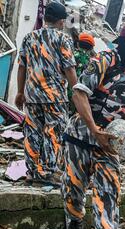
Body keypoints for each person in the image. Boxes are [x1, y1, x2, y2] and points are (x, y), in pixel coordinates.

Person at [62, 22, 125, 229]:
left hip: (108, 142)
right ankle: (73, 226)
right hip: (81, 134)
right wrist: (93, 129)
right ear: (121, 41)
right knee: (74, 185)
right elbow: (79, 95)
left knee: (110, 187)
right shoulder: (103, 60)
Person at [15, 1, 77, 186]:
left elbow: (21, 67)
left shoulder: (29, 37)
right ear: (61, 21)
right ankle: (48, 172)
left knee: (32, 133)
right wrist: (78, 92)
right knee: (53, 133)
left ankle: (33, 172)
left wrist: (20, 92)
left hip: (32, 96)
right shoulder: (63, 39)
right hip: (54, 97)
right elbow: (70, 69)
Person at [68, 32, 96, 114]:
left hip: (62, 91)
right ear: (91, 48)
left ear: (77, 43)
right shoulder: (92, 62)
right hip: (79, 94)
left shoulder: (70, 54)